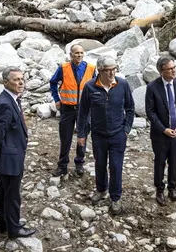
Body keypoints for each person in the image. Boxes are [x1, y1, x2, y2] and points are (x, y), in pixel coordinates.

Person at [77, 56, 134, 215]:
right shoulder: (90, 87)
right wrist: (81, 134)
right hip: (98, 135)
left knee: (116, 166)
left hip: (118, 134)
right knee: (100, 164)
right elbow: (83, 112)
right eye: (108, 70)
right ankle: (101, 189)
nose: (111, 73)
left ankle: (115, 197)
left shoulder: (123, 84)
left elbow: (130, 107)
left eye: (114, 69)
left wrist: (126, 129)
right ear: (100, 71)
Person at [0, 66, 36, 239]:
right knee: (12, 195)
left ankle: (5, 224)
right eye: (16, 79)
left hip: (11, 154)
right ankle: (14, 230)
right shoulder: (5, 104)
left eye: (22, 78)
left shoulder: (13, 99)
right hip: (9, 157)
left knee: (4, 191)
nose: (21, 82)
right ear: (5, 82)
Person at [145, 56, 176, 206]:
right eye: (170, 69)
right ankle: (159, 189)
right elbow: (150, 112)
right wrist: (164, 129)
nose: (173, 71)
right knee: (160, 162)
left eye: (174, 67)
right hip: (160, 133)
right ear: (161, 71)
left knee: (174, 161)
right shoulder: (152, 87)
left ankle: (172, 188)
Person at [49, 44, 97, 177]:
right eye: (76, 53)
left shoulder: (91, 68)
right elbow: (53, 82)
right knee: (65, 137)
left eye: (81, 53)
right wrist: (56, 99)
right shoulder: (63, 68)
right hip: (67, 108)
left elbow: (96, 86)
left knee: (82, 137)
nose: (79, 55)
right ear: (71, 55)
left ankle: (79, 162)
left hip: (85, 109)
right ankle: (62, 165)